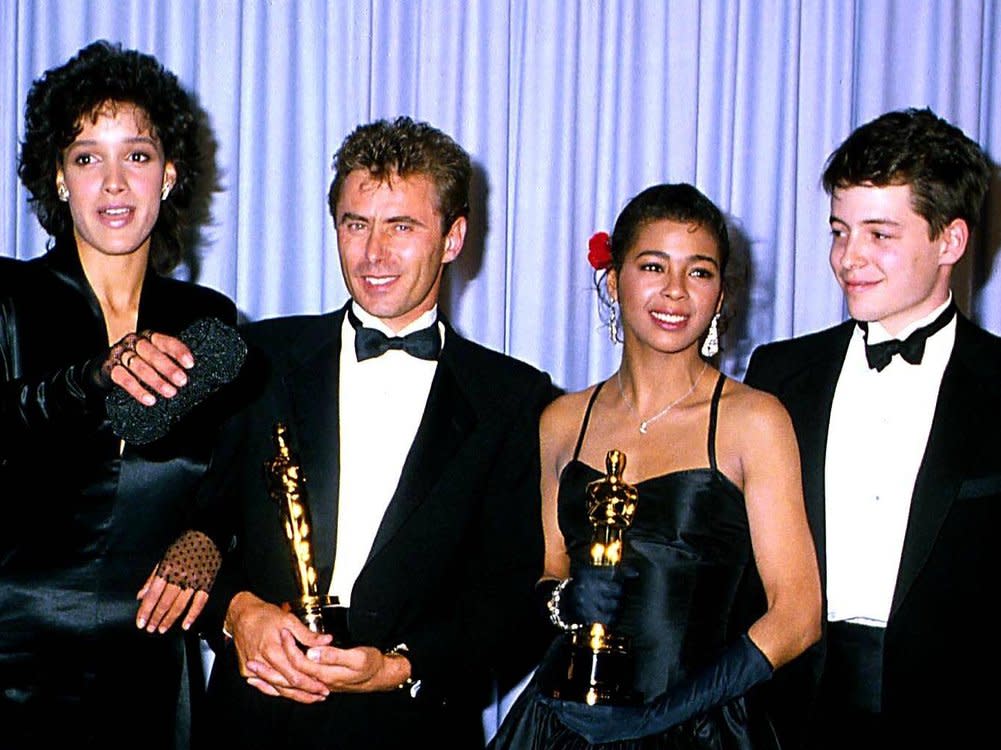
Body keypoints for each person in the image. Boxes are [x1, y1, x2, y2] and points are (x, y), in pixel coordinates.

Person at [193, 116, 555, 748]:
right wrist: (236, 613)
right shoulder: (261, 360)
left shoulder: (513, 399)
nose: (373, 254)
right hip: (253, 721)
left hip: (413, 728)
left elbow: (515, 595)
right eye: (356, 224)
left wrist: (400, 668)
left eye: (402, 226)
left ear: (452, 237)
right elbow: (190, 524)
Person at [490, 183, 821, 748]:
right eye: (653, 266)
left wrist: (662, 715)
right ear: (614, 280)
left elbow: (798, 613)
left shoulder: (754, 420)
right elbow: (548, 564)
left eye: (699, 272)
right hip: (560, 721)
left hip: (698, 725)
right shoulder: (562, 420)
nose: (675, 291)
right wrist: (564, 600)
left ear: (720, 295)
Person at [0, 41, 238, 749]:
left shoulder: (209, 322)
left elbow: (235, 476)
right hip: (12, 653)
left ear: (167, 176)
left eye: (134, 155)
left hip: (150, 660)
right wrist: (90, 377)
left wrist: (209, 538)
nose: (112, 183)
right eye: (85, 157)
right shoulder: (9, 300)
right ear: (58, 178)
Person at [743, 107, 998, 748]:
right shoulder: (779, 373)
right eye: (839, 230)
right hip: (790, 719)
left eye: (879, 234)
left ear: (951, 242)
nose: (848, 258)